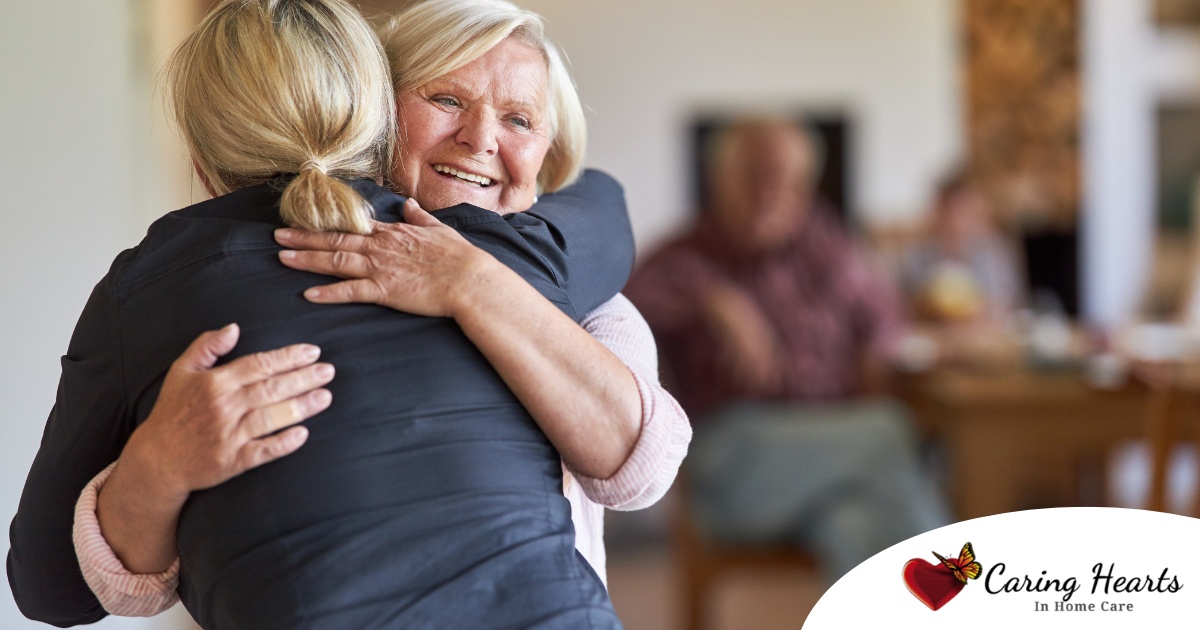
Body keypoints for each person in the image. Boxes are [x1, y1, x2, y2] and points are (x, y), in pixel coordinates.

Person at [9, 1, 689, 627]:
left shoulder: (553, 277)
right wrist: (156, 468)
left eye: (520, 119)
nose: (482, 138)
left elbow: (642, 471)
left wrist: (473, 283)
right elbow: (606, 205)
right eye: (446, 99)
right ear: (375, 117)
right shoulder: (539, 252)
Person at [625, 117, 948, 581]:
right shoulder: (685, 255)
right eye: (755, 176)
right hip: (734, 462)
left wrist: (875, 355)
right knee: (889, 434)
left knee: (855, 521)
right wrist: (713, 298)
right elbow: (619, 306)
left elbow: (887, 319)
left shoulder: (827, 245)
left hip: (833, 453)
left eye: (789, 181)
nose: (771, 193)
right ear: (721, 179)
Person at [901, 170, 1023, 325]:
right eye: (948, 210)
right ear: (937, 213)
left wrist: (977, 312)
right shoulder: (917, 257)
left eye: (963, 210)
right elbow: (904, 307)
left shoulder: (995, 254)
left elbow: (1007, 304)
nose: (955, 220)